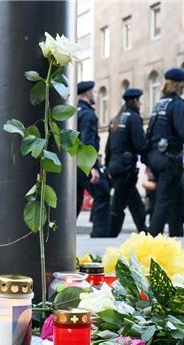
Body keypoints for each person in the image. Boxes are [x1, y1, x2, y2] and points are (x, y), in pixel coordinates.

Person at [145, 68, 184, 237]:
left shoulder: (158, 105)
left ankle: (176, 237)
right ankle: (151, 241)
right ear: (179, 85)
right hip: (169, 159)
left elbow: (149, 134)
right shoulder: (177, 104)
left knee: (178, 201)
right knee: (164, 202)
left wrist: (147, 160)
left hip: (156, 157)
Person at [105, 87, 147, 236]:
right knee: (119, 205)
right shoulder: (133, 118)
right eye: (139, 101)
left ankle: (144, 232)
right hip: (126, 167)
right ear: (135, 100)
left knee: (134, 202)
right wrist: (149, 159)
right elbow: (140, 143)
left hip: (115, 166)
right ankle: (110, 235)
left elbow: (108, 147)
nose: (140, 104)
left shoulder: (115, 120)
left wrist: (108, 166)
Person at [76, 80, 110, 237]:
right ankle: (99, 234)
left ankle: (62, 234)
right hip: (84, 163)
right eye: (93, 91)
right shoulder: (88, 114)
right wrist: (94, 166)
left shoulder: (74, 112)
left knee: (75, 201)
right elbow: (87, 141)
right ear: (87, 93)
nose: (94, 94)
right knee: (102, 191)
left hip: (73, 163)